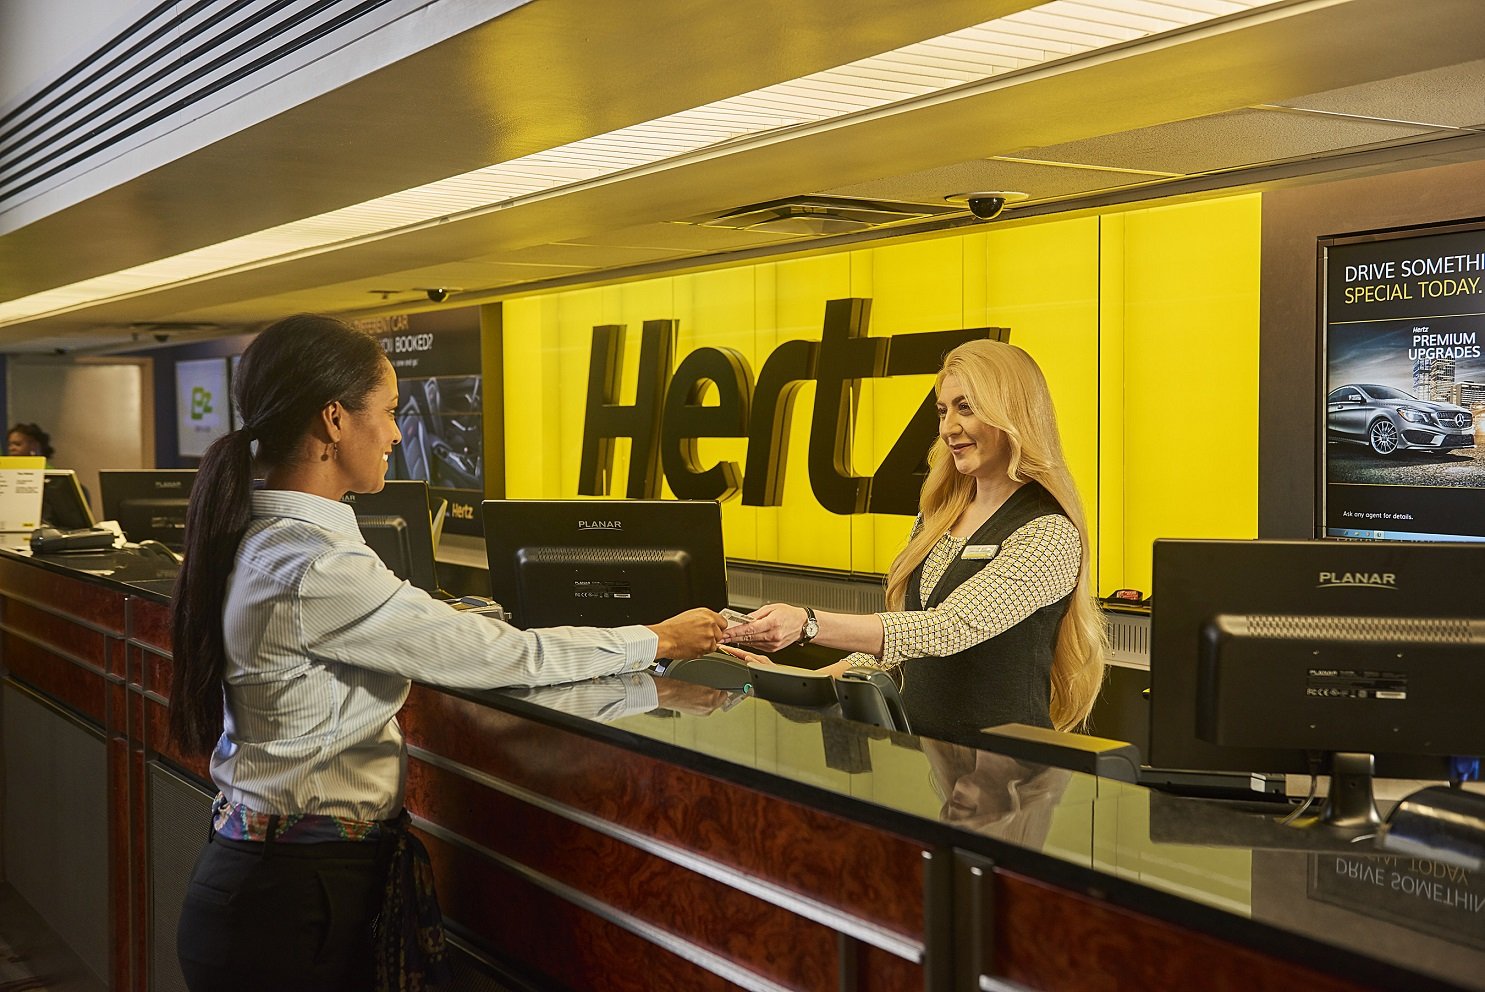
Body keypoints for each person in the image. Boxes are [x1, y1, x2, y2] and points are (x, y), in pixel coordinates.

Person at [169, 314, 724, 991]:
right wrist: (656, 639)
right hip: (292, 902)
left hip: (270, 887)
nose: (399, 433)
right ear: (334, 419)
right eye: (390, 411)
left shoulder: (263, 538)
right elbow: (505, 658)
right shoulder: (315, 565)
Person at [721, 339, 1105, 741]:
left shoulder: (1048, 532)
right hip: (930, 763)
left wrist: (808, 624)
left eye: (966, 407)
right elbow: (903, 643)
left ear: (1013, 413)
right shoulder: (937, 518)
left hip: (1009, 775)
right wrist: (798, 682)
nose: (947, 428)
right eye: (943, 410)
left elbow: (947, 628)